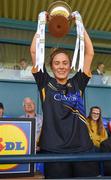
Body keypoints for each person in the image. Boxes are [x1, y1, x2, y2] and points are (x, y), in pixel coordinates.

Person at [30, 24, 99, 177]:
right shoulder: (45, 83)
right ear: (52, 66)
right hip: (55, 151)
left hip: (83, 148)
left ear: (70, 65)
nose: (61, 66)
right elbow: (34, 51)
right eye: (57, 63)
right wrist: (41, 24)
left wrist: (80, 26)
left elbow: (89, 53)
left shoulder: (78, 82)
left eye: (65, 63)